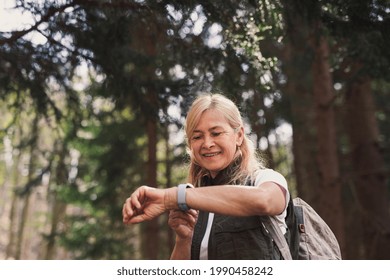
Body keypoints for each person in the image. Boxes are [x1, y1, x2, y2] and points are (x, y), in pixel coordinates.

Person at [122, 93, 290, 259]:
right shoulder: (194, 205)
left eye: (216, 133)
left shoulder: (265, 179)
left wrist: (171, 197)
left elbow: (265, 201)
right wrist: (184, 239)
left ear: (238, 136)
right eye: (197, 136)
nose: (207, 144)